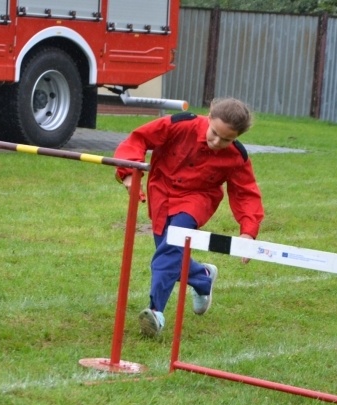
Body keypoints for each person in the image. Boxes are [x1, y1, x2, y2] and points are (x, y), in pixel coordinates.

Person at [113, 97, 265, 337]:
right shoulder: (179, 125)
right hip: (161, 193)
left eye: (227, 139)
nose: (217, 142)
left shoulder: (237, 157)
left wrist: (248, 230)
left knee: (170, 248)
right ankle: (202, 277)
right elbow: (139, 138)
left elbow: (246, 194)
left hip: (197, 199)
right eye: (214, 133)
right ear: (209, 117)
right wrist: (129, 171)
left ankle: (156, 313)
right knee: (169, 252)